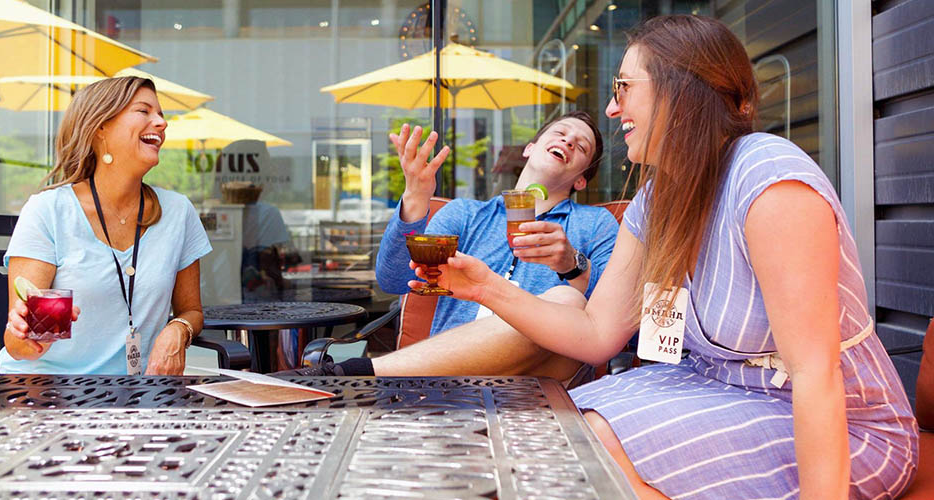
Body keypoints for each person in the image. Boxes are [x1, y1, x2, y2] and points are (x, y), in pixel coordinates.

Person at [392, 15, 917, 499]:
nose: (612, 108)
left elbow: (815, 374)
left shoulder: (767, 176)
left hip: (842, 422)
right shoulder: (655, 199)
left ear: (679, 89)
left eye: (623, 88)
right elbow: (598, 333)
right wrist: (485, 286)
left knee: (590, 459)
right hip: (710, 388)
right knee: (544, 437)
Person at [280, 111, 619, 381]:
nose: (569, 140)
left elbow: (610, 322)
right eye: (560, 133)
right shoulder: (467, 215)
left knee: (567, 298)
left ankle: (356, 374)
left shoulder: (594, 224)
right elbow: (395, 280)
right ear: (530, 147)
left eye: (582, 146)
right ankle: (375, 375)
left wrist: (573, 264)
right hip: (448, 382)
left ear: (581, 180)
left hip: (538, 383)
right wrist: (415, 198)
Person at [0, 76, 212, 375]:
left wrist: (178, 329)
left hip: (139, 395)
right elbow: (18, 346)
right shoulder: (49, 210)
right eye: (144, 111)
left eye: (161, 114)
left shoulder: (178, 212)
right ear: (101, 127)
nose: (161, 123)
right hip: (49, 391)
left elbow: (192, 311)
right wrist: (30, 336)